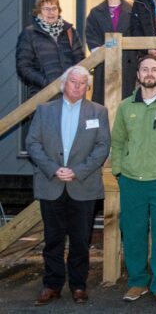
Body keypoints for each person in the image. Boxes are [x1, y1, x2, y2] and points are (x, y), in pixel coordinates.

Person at [25, 66, 110, 306]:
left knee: (81, 240)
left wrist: (78, 171)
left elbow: (102, 146)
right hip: (51, 183)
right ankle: (51, 285)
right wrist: (54, 169)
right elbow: (32, 143)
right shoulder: (44, 110)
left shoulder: (98, 112)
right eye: (73, 82)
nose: (77, 86)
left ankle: (78, 285)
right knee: (53, 239)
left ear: (87, 87)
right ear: (64, 84)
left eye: (83, 83)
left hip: (83, 184)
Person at [111, 55, 156, 306]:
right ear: (138, 75)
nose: (149, 73)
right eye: (145, 69)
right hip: (131, 180)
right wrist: (119, 170)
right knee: (133, 232)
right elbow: (118, 141)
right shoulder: (125, 106)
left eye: (154, 69)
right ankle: (138, 282)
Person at [17, 0, 85, 98]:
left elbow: (80, 62)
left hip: (70, 95)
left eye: (54, 8)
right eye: (46, 9)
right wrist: (47, 83)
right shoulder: (29, 34)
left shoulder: (70, 32)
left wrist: (74, 83)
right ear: (39, 12)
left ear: (59, 10)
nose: (51, 12)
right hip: (42, 95)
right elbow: (23, 67)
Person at [85, 0, 133, 102]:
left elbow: (137, 35)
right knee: (102, 104)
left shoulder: (133, 10)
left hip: (127, 65)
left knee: (127, 104)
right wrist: (101, 52)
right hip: (103, 64)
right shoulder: (95, 13)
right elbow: (91, 36)